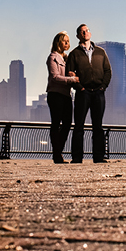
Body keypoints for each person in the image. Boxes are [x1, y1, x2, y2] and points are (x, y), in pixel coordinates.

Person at [65, 24, 112, 163]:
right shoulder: (74, 54)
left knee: (98, 126)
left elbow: (108, 71)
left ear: (90, 33)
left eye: (87, 30)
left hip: (99, 93)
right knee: (79, 126)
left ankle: (98, 157)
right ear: (78, 36)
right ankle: (77, 157)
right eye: (82, 32)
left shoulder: (100, 52)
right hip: (83, 93)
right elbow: (70, 75)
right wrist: (80, 88)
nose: (85, 33)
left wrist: (103, 87)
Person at [46, 31, 78, 164]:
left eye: (68, 41)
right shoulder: (52, 57)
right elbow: (54, 77)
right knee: (56, 124)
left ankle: (58, 152)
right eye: (64, 40)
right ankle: (57, 154)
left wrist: (73, 75)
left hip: (66, 95)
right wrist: (71, 79)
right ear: (58, 42)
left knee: (67, 124)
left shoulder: (67, 58)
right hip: (55, 94)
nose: (67, 43)